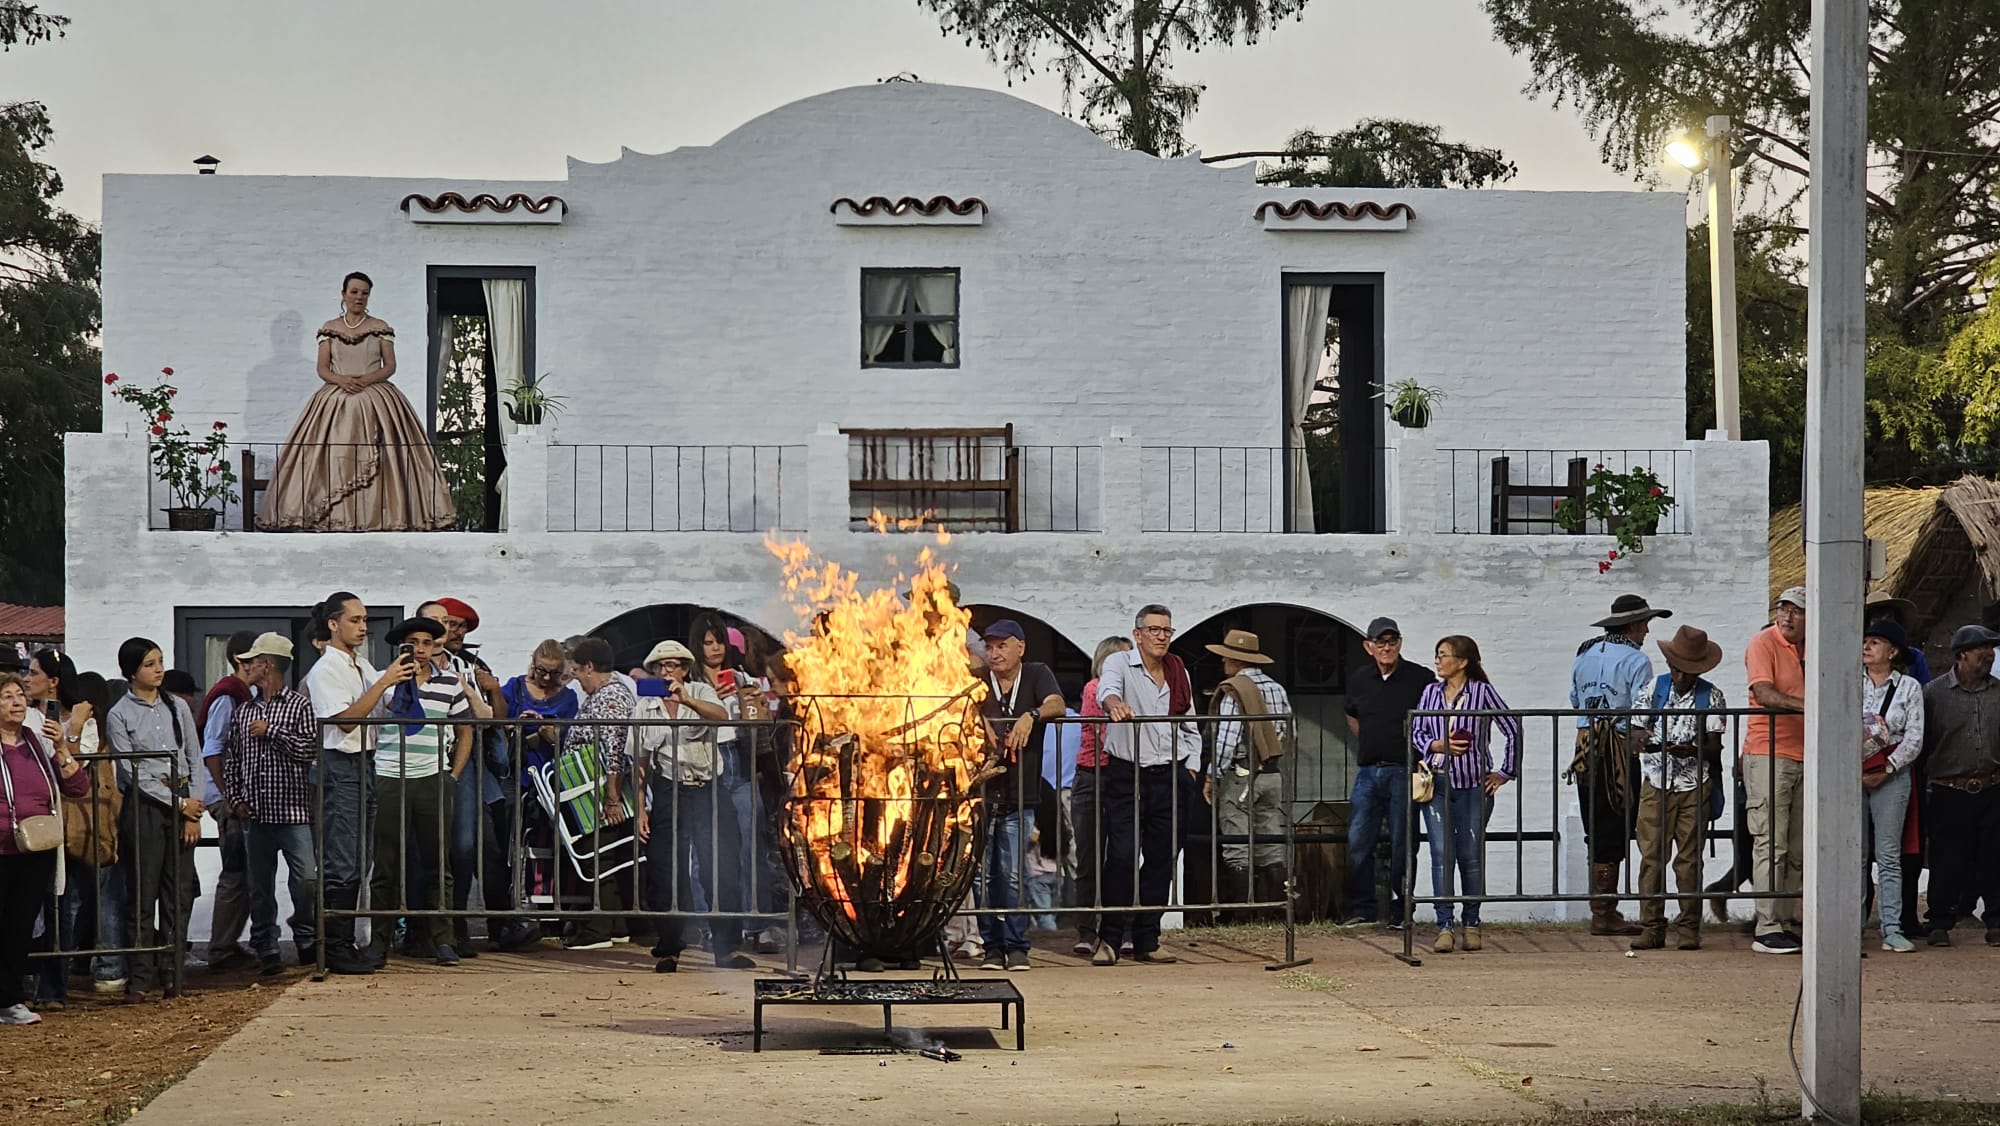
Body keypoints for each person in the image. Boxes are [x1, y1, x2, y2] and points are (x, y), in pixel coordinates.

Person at [259, 271, 456, 531]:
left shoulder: (380, 327)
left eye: (364, 293)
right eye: (354, 292)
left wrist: (367, 379)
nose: (359, 297)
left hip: (377, 397)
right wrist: (341, 381)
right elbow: (322, 369)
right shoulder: (329, 328)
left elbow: (390, 366)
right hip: (335, 399)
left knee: (390, 456)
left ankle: (380, 516)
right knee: (329, 453)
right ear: (343, 294)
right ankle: (331, 516)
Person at [303, 592, 415, 975]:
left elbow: (380, 711)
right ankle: (334, 945)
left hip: (364, 762)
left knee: (359, 856)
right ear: (333, 624)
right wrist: (383, 682)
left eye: (365, 619)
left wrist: (397, 684)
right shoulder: (326, 670)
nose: (363, 626)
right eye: (354, 620)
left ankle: (345, 941)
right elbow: (346, 720)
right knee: (343, 858)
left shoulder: (361, 665)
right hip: (341, 763)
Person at [631, 640, 756, 972]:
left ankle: (725, 947)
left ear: (685, 669)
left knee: (722, 865)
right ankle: (670, 946)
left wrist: (685, 698)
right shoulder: (646, 706)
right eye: (660, 666)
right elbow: (640, 763)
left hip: (707, 788)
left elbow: (721, 716)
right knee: (665, 870)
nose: (666, 671)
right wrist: (640, 808)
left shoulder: (700, 691)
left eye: (673, 665)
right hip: (669, 787)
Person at [1094, 605, 1201, 966]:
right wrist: (1114, 704)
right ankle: (1109, 938)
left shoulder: (1177, 669)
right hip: (1128, 772)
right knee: (1122, 857)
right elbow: (1106, 691)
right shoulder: (1120, 663)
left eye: (1166, 631)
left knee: (1162, 857)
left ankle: (1146, 937)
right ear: (1137, 634)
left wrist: (1191, 767)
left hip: (1169, 772)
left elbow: (1189, 721)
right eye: (1154, 629)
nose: (1160, 636)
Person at [366, 617, 472, 967]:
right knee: (386, 863)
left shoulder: (449, 684)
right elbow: (368, 720)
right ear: (401, 648)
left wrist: (451, 776)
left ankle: (443, 939)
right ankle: (379, 942)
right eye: (413, 642)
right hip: (390, 775)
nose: (421, 649)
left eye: (427, 642)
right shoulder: (385, 681)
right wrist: (386, 682)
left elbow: (465, 729)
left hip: (431, 776)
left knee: (437, 862)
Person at [1569, 593, 1673, 937]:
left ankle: (1603, 907)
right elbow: (1641, 706)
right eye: (1644, 623)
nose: (1646, 630)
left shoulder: (1584, 653)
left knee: (1596, 825)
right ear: (1632, 625)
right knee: (1614, 823)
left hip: (1585, 744)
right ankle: (1604, 910)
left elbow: (1574, 699)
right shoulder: (1635, 660)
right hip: (1617, 746)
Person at [106, 638, 203, 1002]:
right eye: (149, 664)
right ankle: (140, 977)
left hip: (182, 804)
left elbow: (193, 755)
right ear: (132, 671)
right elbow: (131, 771)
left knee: (177, 893)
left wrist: (193, 807)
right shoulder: (120, 714)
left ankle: (173, 972)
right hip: (147, 805)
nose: (158, 669)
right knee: (143, 894)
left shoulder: (176, 707)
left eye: (160, 662)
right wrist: (177, 804)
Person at [1410, 636, 1520, 954]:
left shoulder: (1481, 692)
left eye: (1443, 655)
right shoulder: (1431, 692)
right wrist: (1435, 745)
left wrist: (1505, 772)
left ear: (1462, 662)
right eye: (1437, 655)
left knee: (1470, 856)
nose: (1438, 660)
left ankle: (1472, 923)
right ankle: (1444, 925)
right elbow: (1417, 729)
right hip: (1437, 781)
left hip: (1473, 783)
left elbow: (1511, 726)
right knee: (1441, 855)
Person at [222, 634, 321, 975]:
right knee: (259, 887)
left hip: (293, 811)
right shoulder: (243, 711)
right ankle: (266, 946)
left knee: (307, 879)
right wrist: (235, 799)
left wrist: (272, 731)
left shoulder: (299, 705)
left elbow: (309, 750)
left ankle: (306, 936)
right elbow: (231, 759)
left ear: (268, 664)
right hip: (256, 815)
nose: (246, 667)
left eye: (252, 661)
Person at [0, 672, 92, 1025]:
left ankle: (9, 1000)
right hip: (1, 846)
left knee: (20, 925)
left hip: (33, 847)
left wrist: (62, 748)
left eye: (20, 695)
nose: (17, 702)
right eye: (7, 696)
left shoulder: (36, 742)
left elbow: (78, 786)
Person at [689, 614, 783, 953]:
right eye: (707, 642)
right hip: (706, 759)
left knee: (750, 845)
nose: (714, 649)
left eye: (718, 642)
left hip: (741, 759)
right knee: (705, 849)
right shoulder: (692, 681)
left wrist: (752, 700)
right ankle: (710, 925)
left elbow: (761, 718)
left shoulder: (743, 677)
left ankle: (757, 925)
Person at [1631, 626, 1727, 951]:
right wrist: (1647, 742)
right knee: (1652, 858)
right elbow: (1633, 735)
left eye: (1687, 670)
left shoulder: (1711, 696)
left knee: (1688, 860)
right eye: (1676, 668)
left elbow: (1715, 748)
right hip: (1656, 782)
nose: (1681, 675)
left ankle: (1688, 927)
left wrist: (1695, 750)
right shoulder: (1652, 689)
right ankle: (1651, 926)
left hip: (1693, 784)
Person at [975, 620, 1064, 972]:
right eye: (990, 647)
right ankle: (990, 945)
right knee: (980, 875)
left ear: (1020, 648)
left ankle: (1016, 945)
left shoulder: (1037, 673)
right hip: (981, 792)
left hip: (1021, 792)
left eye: (1002, 646)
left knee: (1012, 874)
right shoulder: (979, 681)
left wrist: (1031, 714)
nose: (994, 653)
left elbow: (1057, 703)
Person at [1342, 617, 1433, 927]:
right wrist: (1370, 741)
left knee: (1403, 842)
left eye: (1391, 641)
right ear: (1368, 647)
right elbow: (1352, 716)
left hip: (1404, 769)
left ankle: (1401, 908)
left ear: (1400, 643)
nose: (1386, 647)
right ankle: (1363, 908)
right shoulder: (1360, 679)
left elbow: (1433, 718)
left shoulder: (1420, 678)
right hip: (1368, 770)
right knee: (1358, 840)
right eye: (1380, 642)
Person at [1918, 624, 2000, 948]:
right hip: (1948, 789)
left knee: (1995, 857)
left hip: (1993, 787)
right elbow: (1923, 743)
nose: (1990, 655)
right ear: (1962, 654)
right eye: (1983, 649)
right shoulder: (1933, 694)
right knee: (1945, 859)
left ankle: (1996, 921)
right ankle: (1939, 921)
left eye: (1992, 650)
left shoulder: (1999, 692)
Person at [1203, 629, 1290, 921]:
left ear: (1233, 659)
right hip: (1271, 772)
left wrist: (1212, 774)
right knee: (1270, 840)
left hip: (1242, 772)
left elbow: (1228, 737)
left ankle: (1240, 914)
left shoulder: (1235, 690)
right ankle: (1277, 910)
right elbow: (1284, 730)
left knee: (1237, 842)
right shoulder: (1277, 689)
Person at [1744, 587, 1808, 954]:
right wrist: (1808, 706)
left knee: (1797, 845)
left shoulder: (1810, 646)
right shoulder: (1763, 642)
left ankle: (1782, 921)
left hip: (1802, 753)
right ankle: (1767, 925)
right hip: (1769, 751)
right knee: (1771, 841)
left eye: (1795, 611)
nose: (1786, 616)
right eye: (1783, 609)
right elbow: (1764, 693)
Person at [564, 637, 639, 951]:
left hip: (596, 790)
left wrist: (611, 798)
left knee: (597, 854)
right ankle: (615, 923)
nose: (577, 679)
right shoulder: (609, 694)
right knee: (603, 855)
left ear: (590, 667)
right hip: (591, 787)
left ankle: (600, 927)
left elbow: (613, 751)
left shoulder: (608, 698)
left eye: (578, 671)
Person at [197, 631, 259, 972]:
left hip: (235, 794)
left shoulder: (244, 694)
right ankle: (221, 947)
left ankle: (228, 943)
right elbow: (213, 749)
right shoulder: (227, 696)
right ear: (240, 660)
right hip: (227, 797)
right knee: (235, 870)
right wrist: (228, 796)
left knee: (245, 871)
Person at [1860, 618, 1924, 953]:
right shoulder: (1851, 682)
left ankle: (1892, 927)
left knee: (1888, 855)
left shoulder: (1909, 688)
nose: (1867, 647)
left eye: (1875, 642)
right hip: (1852, 775)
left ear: (1893, 651)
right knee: (1853, 854)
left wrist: (1887, 767)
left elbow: (1914, 738)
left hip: (1892, 775)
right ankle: (1852, 926)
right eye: (1866, 641)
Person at [1069, 637, 1130, 958]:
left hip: (1121, 774)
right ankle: (1088, 929)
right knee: (1089, 857)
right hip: (1094, 774)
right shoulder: (1095, 689)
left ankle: (1122, 926)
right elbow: (1109, 731)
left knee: (1122, 857)